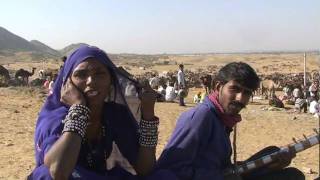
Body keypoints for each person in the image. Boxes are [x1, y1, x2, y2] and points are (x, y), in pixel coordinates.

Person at [28, 46, 177, 180]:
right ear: (68, 83)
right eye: (81, 74)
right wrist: (79, 109)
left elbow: (144, 169)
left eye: (100, 74)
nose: (91, 81)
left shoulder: (114, 114)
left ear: (111, 81)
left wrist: (148, 114)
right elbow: (58, 172)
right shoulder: (57, 118)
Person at [156, 62, 304, 180]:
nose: (240, 98)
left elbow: (219, 165)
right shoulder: (201, 117)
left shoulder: (222, 118)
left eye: (247, 92)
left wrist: (271, 166)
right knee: (294, 176)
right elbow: (168, 170)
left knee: (274, 153)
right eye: (235, 89)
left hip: (219, 174)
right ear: (218, 87)